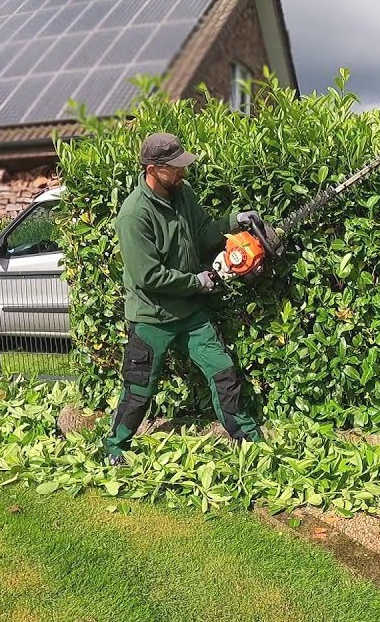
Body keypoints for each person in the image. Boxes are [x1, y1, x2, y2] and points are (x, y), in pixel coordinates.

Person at [104, 131, 263, 465]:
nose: (182, 172)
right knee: (140, 387)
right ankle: (115, 445)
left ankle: (249, 441)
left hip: (191, 312)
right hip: (152, 317)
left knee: (223, 372)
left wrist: (236, 222)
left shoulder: (183, 194)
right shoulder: (134, 215)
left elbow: (205, 233)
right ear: (152, 168)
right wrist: (197, 281)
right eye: (175, 167)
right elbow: (148, 276)